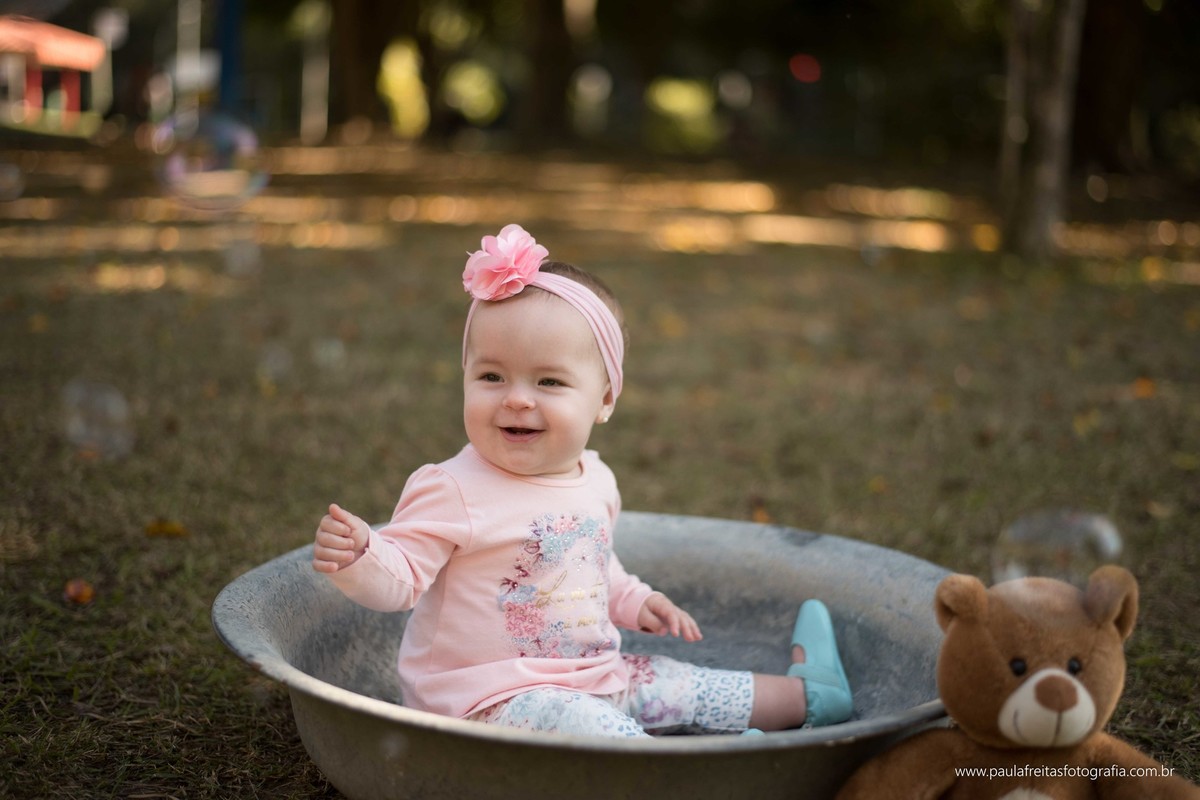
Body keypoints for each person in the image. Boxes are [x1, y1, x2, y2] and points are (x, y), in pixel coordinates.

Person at [312, 224, 852, 737]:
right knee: (596, 729)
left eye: (549, 380)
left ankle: (810, 697)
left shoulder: (596, 480)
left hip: (593, 677)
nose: (517, 397)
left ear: (605, 400)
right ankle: (714, 776)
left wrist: (637, 601)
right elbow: (402, 579)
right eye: (491, 376)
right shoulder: (452, 487)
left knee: (678, 683)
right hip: (488, 703)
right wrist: (363, 556)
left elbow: (591, 567)